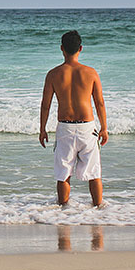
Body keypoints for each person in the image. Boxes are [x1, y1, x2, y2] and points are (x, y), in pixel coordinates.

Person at [39, 30, 108, 207]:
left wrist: (42, 129)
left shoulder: (53, 74)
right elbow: (99, 103)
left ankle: (63, 213)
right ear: (81, 48)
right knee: (93, 172)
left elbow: (45, 105)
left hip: (65, 128)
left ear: (62, 48)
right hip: (87, 128)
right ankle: (99, 210)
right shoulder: (91, 73)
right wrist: (104, 128)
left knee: (63, 174)